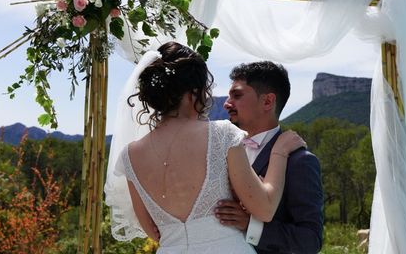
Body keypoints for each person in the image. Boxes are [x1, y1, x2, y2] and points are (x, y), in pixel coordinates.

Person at [111, 42, 307, 253]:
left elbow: (152, 231)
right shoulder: (222, 134)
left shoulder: (129, 156)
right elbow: (265, 208)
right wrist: (280, 152)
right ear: (193, 92)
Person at [215, 61, 324, 253]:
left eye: (237, 95)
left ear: (267, 101)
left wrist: (250, 225)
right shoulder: (219, 150)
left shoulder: (300, 162)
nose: (226, 103)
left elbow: (310, 241)